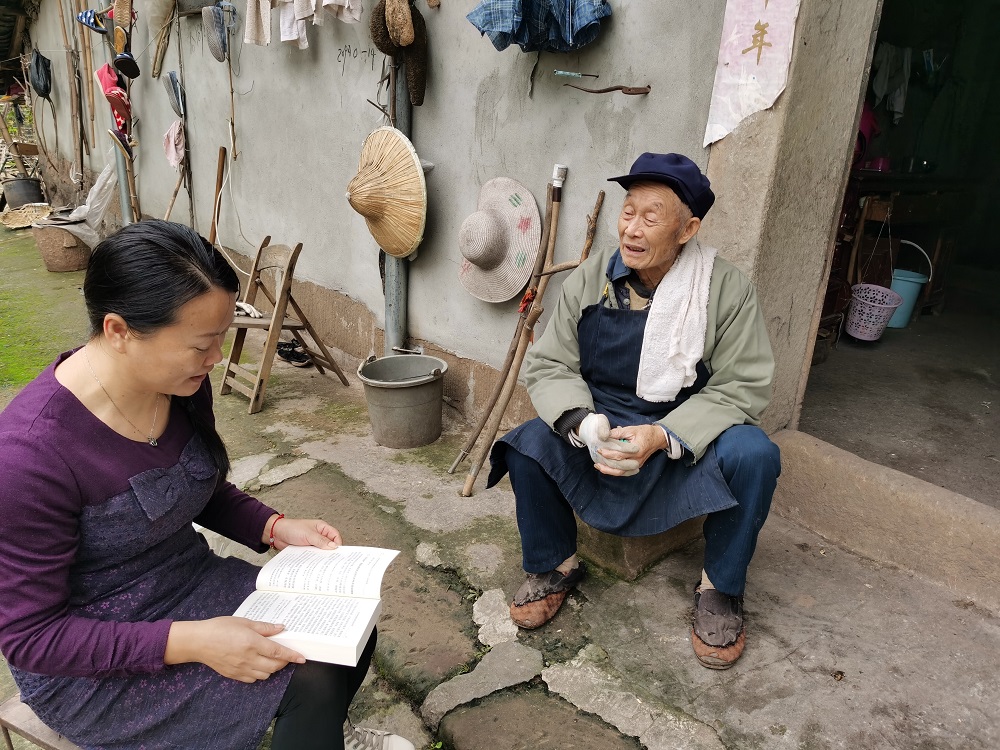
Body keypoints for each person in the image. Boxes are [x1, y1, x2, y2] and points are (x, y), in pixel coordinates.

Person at [0, 220, 414, 750]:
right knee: (309, 678)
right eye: (201, 344)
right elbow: (34, 639)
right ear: (119, 331)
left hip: (189, 585)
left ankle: (316, 734)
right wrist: (193, 642)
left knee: (347, 633)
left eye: (221, 337)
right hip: (92, 663)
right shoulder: (29, 459)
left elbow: (199, 487)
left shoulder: (179, 385)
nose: (217, 359)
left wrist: (273, 526)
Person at [488, 153, 781, 670]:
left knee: (754, 452)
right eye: (628, 212)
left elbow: (742, 387)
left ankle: (720, 590)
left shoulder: (724, 289)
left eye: (651, 216)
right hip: (602, 429)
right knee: (529, 442)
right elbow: (550, 362)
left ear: (687, 229)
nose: (632, 229)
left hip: (682, 439)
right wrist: (583, 423)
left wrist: (663, 436)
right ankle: (553, 565)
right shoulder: (593, 279)